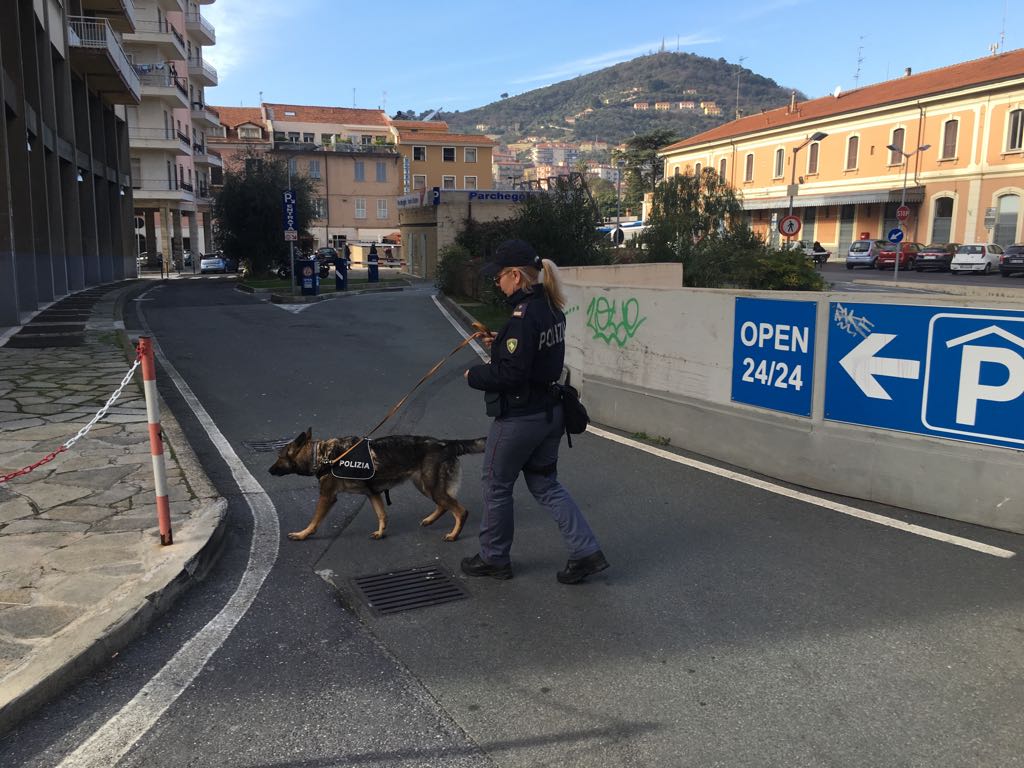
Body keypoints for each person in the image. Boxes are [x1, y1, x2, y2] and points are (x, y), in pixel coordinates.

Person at [461, 239, 608, 584]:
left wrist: (474, 376)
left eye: (499, 277)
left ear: (515, 275)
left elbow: (511, 374)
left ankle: (494, 557)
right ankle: (586, 552)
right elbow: (531, 354)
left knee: (496, 485)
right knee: (545, 485)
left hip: (519, 418)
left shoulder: (522, 317)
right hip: (549, 414)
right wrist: (501, 341)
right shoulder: (550, 306)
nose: (496, 283)